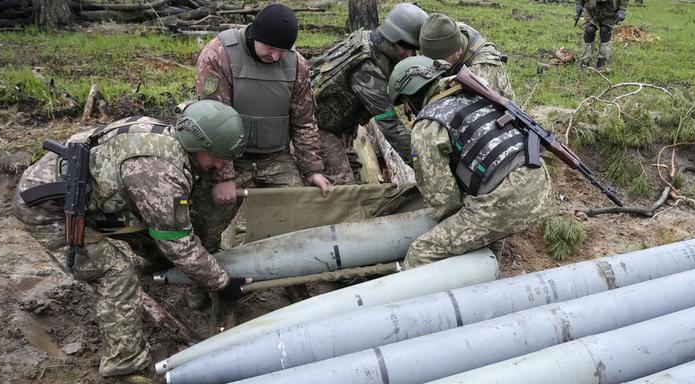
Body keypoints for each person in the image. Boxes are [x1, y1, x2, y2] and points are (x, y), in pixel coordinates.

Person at [13, 100, 251, 383]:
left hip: (90, 195)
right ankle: (124, 362)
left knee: (158, 243)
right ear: (197, 145)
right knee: (116, 272)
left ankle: (160, 277)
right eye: (217, 158)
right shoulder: (159, 173)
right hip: (47, 211)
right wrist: (222, 283)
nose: (219, 166)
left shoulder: (171, 140)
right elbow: (178, 243)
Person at [387, 56, 555, 269]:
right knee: (485, 228)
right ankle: (488, 277)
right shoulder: (476, 92)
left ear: (410, 96)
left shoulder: (428, 126)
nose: (408, 112)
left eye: (405, 105)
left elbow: (442, 198)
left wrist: (450, 224)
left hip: (507, 200)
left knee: (422, 252)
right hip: (540, 182)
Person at [194, 3, 330, 254]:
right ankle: (208, 284)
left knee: (298, 216)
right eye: (270, 48)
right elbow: (211, 122)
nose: (276, 57)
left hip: (275, 157)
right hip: (229, 157)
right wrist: (223, 177)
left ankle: (291, 277)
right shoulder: (219, 55)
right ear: (255, 35)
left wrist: (313, 169)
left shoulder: (296, 64)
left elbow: (304, 121)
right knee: (205, 224)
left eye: (283, 50)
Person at [310, 3, 428, 183]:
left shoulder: (373, 40)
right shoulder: (366, 68)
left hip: (341, 126)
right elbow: (391, 127)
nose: (412, 54)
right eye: (409, 47)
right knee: (344, 187)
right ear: (394, 38)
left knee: (356, 174)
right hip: (317, 128)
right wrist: (424, 168)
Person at [417, 13, 516, 100]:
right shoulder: (449, 31)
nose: (437, 67)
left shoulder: (481, 69)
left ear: (458, 52)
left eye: (442, 63)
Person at [574, 0, 627, 69]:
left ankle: (603, 60)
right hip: (591, 8)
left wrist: (622, 10)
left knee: (605, 31)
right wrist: (578, 3)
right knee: (589, 30)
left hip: (609, 10)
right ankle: (585, 60)